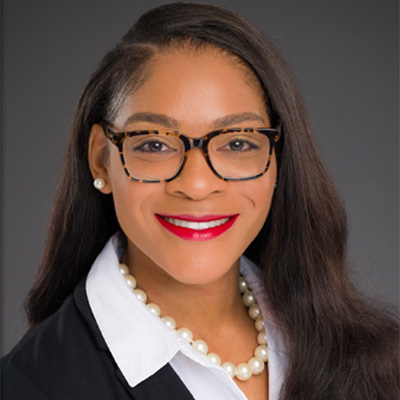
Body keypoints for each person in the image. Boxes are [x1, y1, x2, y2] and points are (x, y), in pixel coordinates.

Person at [2, 3, 398, 400]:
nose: (196, 184)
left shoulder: (375, 356)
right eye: (154, 144)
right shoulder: (30, 386)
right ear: (101, 159)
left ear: (279, 160)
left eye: (237, 143)